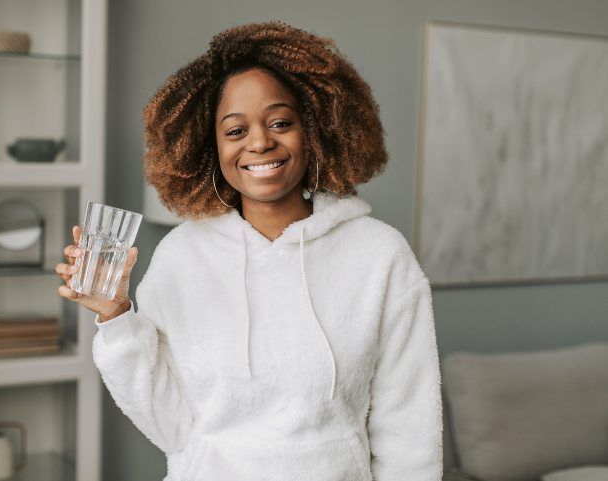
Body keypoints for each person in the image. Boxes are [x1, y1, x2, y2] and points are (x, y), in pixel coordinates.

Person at [57, 20, 442, 481]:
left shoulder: (380, 255)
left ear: (314, 130)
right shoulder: (182, 256)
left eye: (281, 122)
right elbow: (172, 426)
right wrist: (117, 317)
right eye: (235, 130)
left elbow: (409, 426)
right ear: (210, 147)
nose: (260, 142)